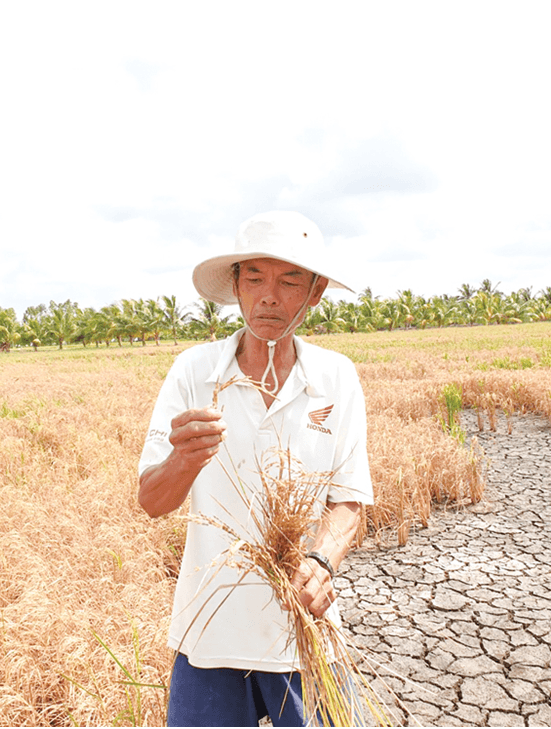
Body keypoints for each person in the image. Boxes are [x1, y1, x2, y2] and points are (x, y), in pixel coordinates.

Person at [138, 210, 373, 727]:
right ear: (237, 287)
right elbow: (152, 500)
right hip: (210, 637)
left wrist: (322, 562)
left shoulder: (336, 379)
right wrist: (183, 458)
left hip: (305, 632)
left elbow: (349, 501)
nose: (270, 296)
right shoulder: (196, 373)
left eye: (290, 281)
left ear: (315, 292)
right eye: (255, 278)